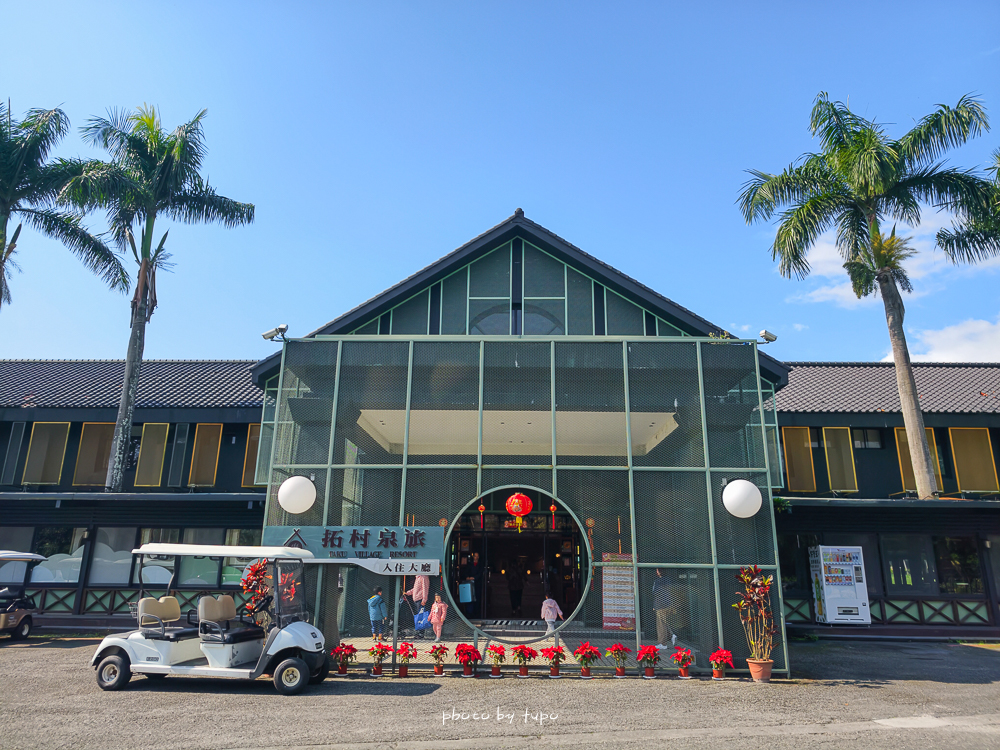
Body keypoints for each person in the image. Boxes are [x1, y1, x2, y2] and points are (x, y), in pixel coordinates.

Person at [653, 568, 676, 648]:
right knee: (664, 622)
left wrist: (655, 606)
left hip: (660, 605)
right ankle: (672, 635)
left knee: (660, 625)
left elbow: (656, 592)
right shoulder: (669, 580)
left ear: (659, 572)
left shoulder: (658, 581)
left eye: (657, 570)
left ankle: (663, 643)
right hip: (668, 604)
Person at [404, 574, 430, 638]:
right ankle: (419, 632)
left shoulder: (423, 577)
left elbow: (425, 588)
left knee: (421, 616)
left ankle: (421, 633)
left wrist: (424, 599)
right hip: (416, 599)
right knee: (418, 617)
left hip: (420, 600)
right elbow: (415, 589)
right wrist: (408, 593)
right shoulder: (418, 577)